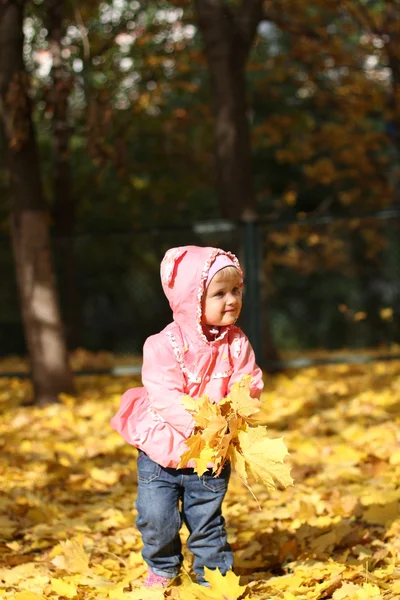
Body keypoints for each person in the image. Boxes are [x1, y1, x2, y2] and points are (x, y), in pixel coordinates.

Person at [111, 246, 263, 588]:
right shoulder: (163, 345)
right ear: (191, 299)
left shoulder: (237, 345)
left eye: (236, 291)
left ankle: (214, 576)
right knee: (157, 519)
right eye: (219, 293)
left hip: (210, 452)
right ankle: (163, 567)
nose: (231, 300)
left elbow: (249, 382)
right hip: (162, 452)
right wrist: (198, 424)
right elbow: (162, 394)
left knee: (207, 520)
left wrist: (238, 411)